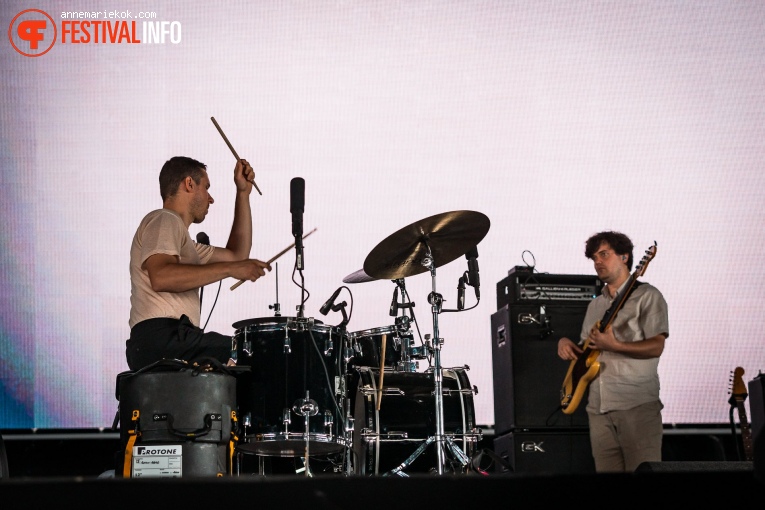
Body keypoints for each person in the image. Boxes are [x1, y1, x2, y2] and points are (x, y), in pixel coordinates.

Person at [126, 156, 271, 371]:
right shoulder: (164, 219)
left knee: (243, 355)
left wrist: (243, 193)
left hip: (171, 340)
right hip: (162, 338)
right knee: (253, 351)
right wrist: (231, 270)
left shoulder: (187, 247)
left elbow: (237, 256)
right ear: (189, 184)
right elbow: (162, 276)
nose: (210, 199)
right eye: (206, 187)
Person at [557, 231, 668, 473]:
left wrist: (616, 346)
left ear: (625, 257)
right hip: (598, 409)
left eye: (604, 255)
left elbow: (657, 346)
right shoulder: (595, 304)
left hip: (636, 405)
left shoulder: (647, 296)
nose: (598, 262)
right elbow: (587, 350)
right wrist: (565, 342)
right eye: (594, 257)